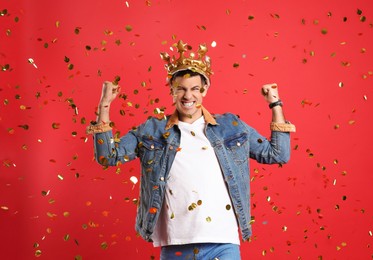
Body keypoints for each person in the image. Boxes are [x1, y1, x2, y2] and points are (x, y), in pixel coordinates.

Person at [87, 40, 295, 260]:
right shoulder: (152, 130)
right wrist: (104, 106)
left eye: (195, 89)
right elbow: (108, 157)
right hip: (176, 244)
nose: (188, 96)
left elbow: (278, 154)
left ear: (204, 89)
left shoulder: (230, 126)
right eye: (181, 89)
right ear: (172, 91)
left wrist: (275, 104)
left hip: (222, 242)